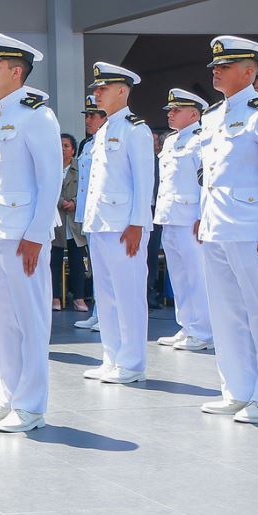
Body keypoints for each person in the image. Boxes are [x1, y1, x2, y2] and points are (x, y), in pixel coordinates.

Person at [196, 37, 258, 423]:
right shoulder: (213, 116)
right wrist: (204, 221)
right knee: (226, 314)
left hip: (255, 231)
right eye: (216, 66)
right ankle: (237, 389)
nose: (216, 71)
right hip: (218, 227)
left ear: (249, 72)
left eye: (225, 65)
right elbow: (211, 178)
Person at [0, 33, 63, 434]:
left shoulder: (37, 115)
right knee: (5, 321)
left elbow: (50, 179)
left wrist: (37, 234)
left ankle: (31, 406)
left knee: (31, 319)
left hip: (23, 232)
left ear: (16, 71)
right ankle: (8, 395)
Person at [78, 63, 155, 385]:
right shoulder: (105, 130)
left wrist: (138, 224)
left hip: (125, 226)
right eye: (96, 89)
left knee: (129, 295)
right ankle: (112, 357)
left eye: (103, 89)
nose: (96, 93)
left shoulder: (135, 129)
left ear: (122, 91)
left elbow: (143, 181)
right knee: (106, 295)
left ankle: (132, 362)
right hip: (101, 224)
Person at [154, 88, 214, 353]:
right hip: (171, 217)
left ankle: (202, 330)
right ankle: (187, 326)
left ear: (194, 113)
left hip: (191, 218)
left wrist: (203, 217)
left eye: (177, 110)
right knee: (178, 275)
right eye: (170, 110)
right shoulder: (170, 141)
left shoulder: (202, 140)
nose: (171, 114)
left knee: (196, 276)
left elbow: (206, 181)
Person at [71, 97, 105, 327]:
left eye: (93, 115)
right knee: (96, 267)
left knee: (108, 271)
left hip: (105, 213)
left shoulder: (108, 140)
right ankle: (98, 313)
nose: (88, 120)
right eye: (86, 115)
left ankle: (105, 316)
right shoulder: (87, 144)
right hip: (89, 214)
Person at [54, 134, 90, 312]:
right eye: (60, 145)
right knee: (54, 260)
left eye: (66, 145)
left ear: (73, 150)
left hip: (74, 220)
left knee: (77, 261)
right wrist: (61, 202)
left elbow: (88, 188)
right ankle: (55, 297)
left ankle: (79, 297)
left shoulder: (80, 167)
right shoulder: (51, 166)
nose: (62, 149)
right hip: (57, 219)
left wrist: (75, 202)